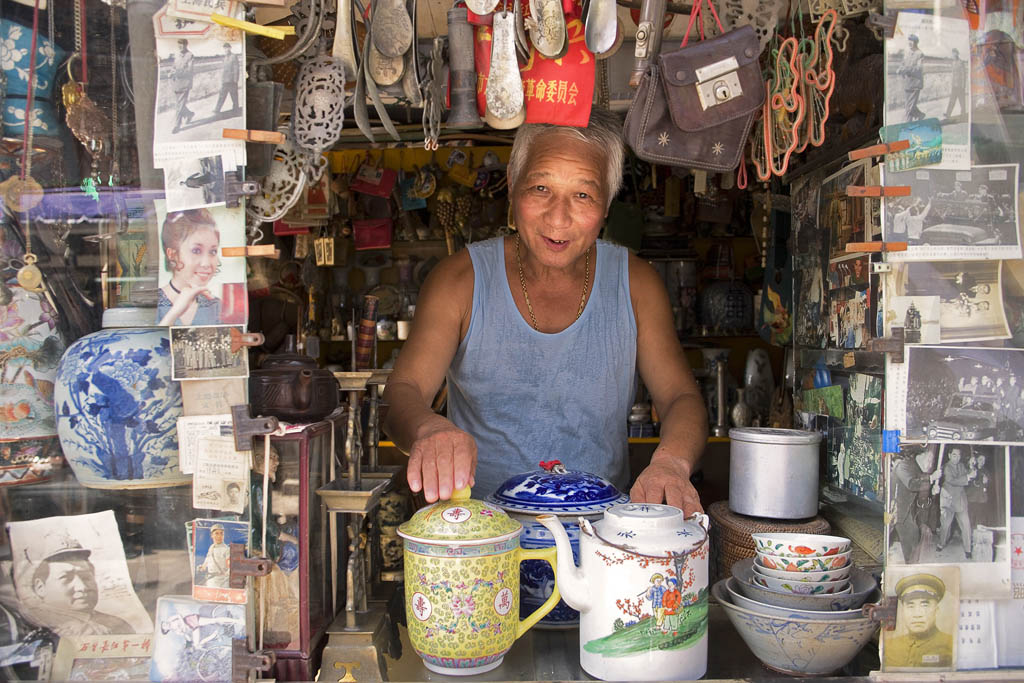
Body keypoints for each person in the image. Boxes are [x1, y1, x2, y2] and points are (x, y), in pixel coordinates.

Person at [381, 109, 707, 511]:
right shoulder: (459, 280)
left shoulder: (636, 285)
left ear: (606, 207)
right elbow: (402, 393)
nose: (558, 217)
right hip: (480, 537)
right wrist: (427, 427)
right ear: (513, 187)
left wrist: (671, 463)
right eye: (540, 188)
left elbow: (680, 398)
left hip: (598, 537)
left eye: (583, 195)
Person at [26, 532, 134, 636]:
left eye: (86, 577)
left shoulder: (118, 625)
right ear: (40, 588)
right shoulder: (33, 628)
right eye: (66, 578)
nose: (82, 587)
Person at [158, 209, 222, 326]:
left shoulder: (217, 306)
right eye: (196, 251)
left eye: (213, 251)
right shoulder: (151, 304)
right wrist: (174, 313)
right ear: (172, 254)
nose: (206, 263)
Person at [884, 573, 953, 669]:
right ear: (902, 610)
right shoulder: (890, 647)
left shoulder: (950, 644)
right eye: (910, 606)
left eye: (925, 605)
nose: (917, 614)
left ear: (936, 610)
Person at [891, 448, 934, 563]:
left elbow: (922, 489)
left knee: (913, 538)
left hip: (908, 511)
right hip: (899, 511)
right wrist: (931, 479)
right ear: (919, 455)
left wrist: (933, 488)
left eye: (931, 459)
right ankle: (910, 567)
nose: (930, 463)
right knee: (911, 540)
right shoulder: (903, 466)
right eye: (928, 458)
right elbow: (912, 484)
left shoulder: (915, 466)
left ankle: (911, 565)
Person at [937, 446, 975, 559]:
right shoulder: (946, 467)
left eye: (958, 455)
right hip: (948, 501)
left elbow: (968, 474)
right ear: (949, 455)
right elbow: (951, 480)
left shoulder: (961, 465)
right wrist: (967, 477)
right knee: (945, 525)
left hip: (960, 501)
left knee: (966, 525)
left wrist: (971, 467)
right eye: (954, 455)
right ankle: (941, 543)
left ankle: (968, 550)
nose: (957, 458)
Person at [898, 34, 926, 122]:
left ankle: (907, 125)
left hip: (915, 83)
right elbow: (903, 64)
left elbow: (919, 68)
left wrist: (907, 70)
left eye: (912, 41)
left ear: (916, 43)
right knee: (909, 104)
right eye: (909, 40)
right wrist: (900, 69)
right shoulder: (907, 53)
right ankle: (920, 115)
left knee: (909, 108)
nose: (910, 43)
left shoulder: (920, 54)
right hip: (907, 83)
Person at [171, 39, 195, 134]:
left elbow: (189, 70)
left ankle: (177, 125)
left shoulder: (190, 56)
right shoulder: (176, 55)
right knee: (179, 104)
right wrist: (171, 72)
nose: (180, 46)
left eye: (182, 44)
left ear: (186, 45)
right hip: (177, 83)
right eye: (179, 45)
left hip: (185, 83)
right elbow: (174, 67)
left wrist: (176, 72)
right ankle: (189, 114)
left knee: (179, 105)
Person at [199, 524, 231, 589]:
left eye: (221, 534)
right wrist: (203, 567)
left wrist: (228, 573)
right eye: (216, 533)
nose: (219, 536)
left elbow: (229, 564)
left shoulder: (226, 549)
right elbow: (208, 559)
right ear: (212, 535)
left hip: (222, 581)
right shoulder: (211, 547)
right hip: (211, 579)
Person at [214, 43, 240, 114]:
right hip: (225, 81)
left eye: (227, 48)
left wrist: (235, 80)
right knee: (222, 95)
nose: (226, 49)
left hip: (232, 81)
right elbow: (223, 70)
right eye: (225, 48)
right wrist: (222, 80)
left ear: (230, 48)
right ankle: (217, 109)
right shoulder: (224, 58)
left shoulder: (234, 56)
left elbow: (236, 69)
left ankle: (236, 108)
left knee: (234, 95)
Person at [944, 48, 967, 118]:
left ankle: (963, 114)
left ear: (957, 54)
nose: (953, 54)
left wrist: (963, 85)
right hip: (954, 85)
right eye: (953, 53)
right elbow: (952, 74)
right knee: (952, 100)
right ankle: (948, 114)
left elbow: (963, 74)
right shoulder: (953, 63)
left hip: (960, 85)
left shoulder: (961, 62)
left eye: (955, 53)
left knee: (962, 100)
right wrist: (951, 83)